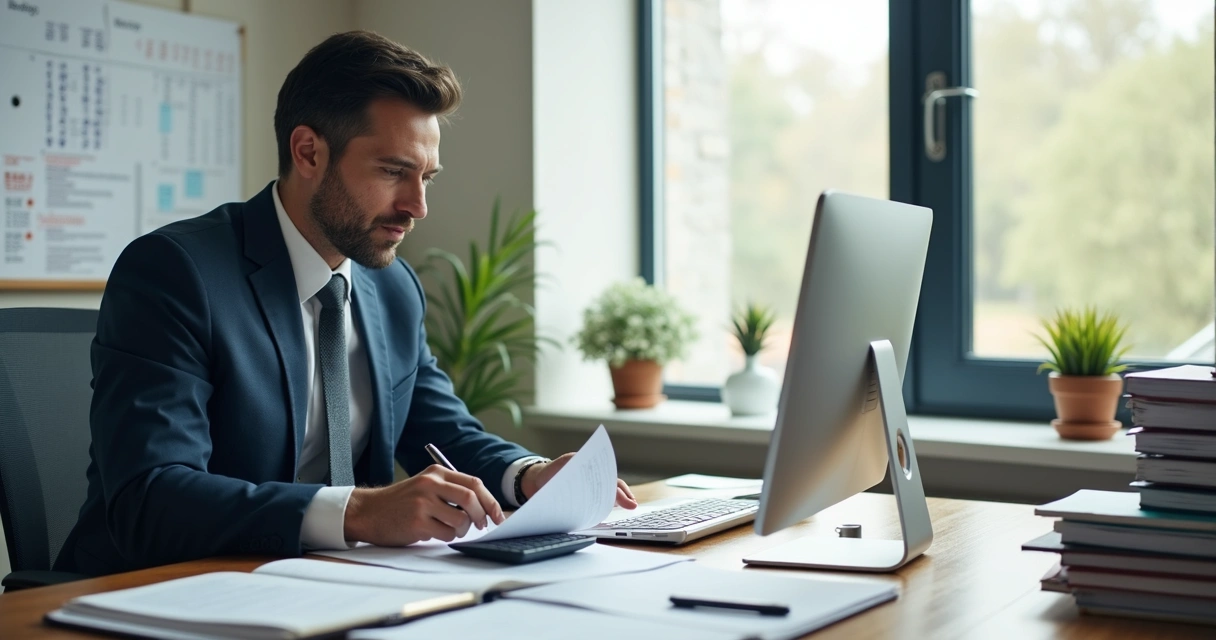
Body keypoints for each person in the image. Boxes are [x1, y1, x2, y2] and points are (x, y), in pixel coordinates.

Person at [56, 31, 637, 577]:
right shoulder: (178, 273)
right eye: (393, 172)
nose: (417, 206)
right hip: (145, 593)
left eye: (427, 177)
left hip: (325, 588)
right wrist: (358, 511)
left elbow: (440, 430)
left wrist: (530, 476)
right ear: (308, 152)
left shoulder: (391, 287)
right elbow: (150, 497)